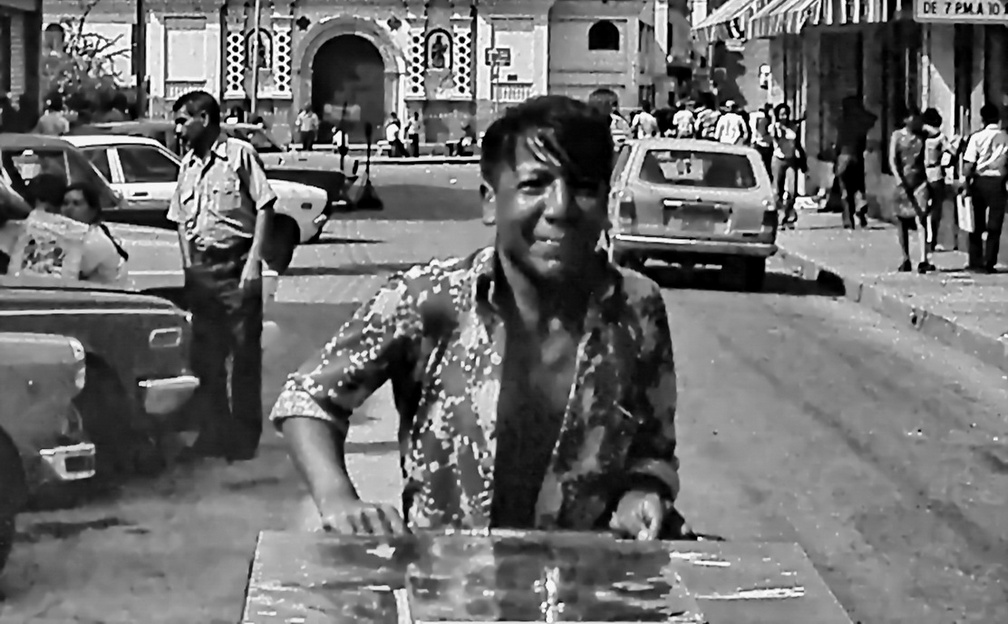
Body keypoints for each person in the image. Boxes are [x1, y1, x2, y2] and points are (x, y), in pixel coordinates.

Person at [272, 95, 688, 540]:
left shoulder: (636, 306)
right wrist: (339, 500)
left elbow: (652, 444)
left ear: (606, 200)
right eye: (534, 185)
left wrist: (642, 492)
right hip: (450, 590)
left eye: (584, 187)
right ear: (491, 201)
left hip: (581, 590)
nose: (561, 208)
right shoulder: (431, 299)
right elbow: (309, 398)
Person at [168, 90, 277, 461]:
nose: (178, 128)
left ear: (204, 119)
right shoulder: (188, 164)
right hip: (202, 270)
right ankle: (214, 432)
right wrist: (189, 265)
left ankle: (244, 438)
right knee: (206, 359)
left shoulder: (239, 155)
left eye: (183, 120)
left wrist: (253, 262)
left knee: (243, 355)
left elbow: (265, 206)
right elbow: (181, 220)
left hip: (236, 265)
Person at [961, 102, 1008, 273]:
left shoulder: (977, 137)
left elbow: (968, 164)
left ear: (982, 119)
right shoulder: (1005, 137)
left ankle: (976, 260)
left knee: (976, 224)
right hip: (999, 182)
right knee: (995, 224)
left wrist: (965, 183)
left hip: (979, 182)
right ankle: (990, 261)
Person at [888, 105, 932, 274]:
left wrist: (926, 126)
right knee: (902, 222)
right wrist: (898, 178)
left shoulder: (922, 135)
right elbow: (892, 159)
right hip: (903, 182)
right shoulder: (897, 136)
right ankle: (905, 258)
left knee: (921, 218)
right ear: (906, 119)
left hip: (919, 182)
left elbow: (938, 134)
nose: (916, 120)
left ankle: (923, 259)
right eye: (914, 117)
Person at [61, 181, 130, 287]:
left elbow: (65, 277)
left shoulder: (94, 240)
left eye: (76, 203)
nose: (69, 209)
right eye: (65, 203)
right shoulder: (74, 235)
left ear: (92, 210)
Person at [834, 96, 876, 231]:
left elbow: (838, 144)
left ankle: (848, 220)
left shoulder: (841, 121)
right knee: (858, 186)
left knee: (845, 190)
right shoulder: (861, 123)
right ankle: (860, 209)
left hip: (843, 157)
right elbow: (873, 118)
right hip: (857, 157)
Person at [922, 107, 953, 252]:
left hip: (921, 173)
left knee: (922, 209)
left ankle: (924, 238)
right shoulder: (940, 137)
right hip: (936, 173)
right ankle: (932, 239)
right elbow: (952, 151)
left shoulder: (920, 135)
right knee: (936, 209)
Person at [770, 103, 803, 229]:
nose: (784, 116)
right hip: (778, 159)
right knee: (777, 190)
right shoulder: (774, 127)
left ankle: (789, 214)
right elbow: (777, 137)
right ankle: (779, 215)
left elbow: (796, 141)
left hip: (791, 160)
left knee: (792, 190)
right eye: (781, 114)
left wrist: (802, 160)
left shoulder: (793, 127)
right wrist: (777, 125)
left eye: (786, 114)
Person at [750, 103, 774, 174]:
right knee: (765, 168)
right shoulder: (765, 120)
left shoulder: (764, 119)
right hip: (764, 146)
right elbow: (761, 134)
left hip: (763, 145)